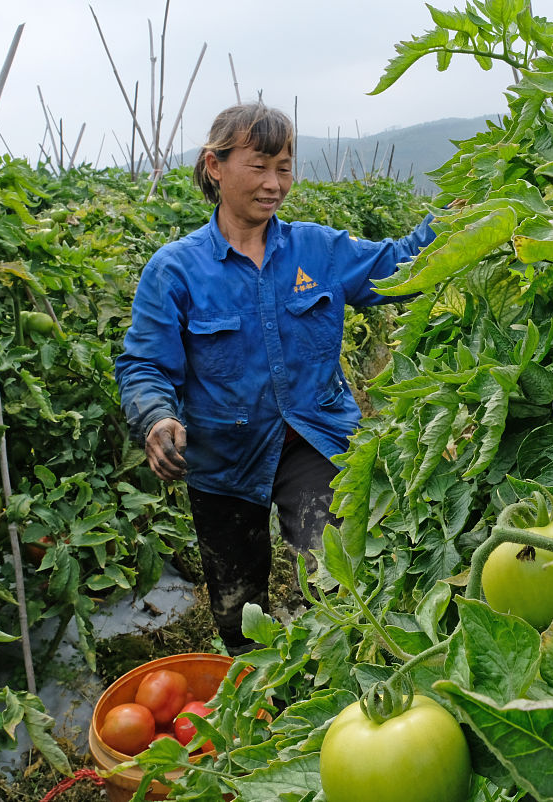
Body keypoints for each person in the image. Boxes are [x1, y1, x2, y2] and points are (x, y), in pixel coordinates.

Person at [115, 103, 437, 651]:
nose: (273, 184)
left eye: (283, 167)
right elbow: (144, 363)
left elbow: (400, 266)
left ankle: (345, 680)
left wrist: (447, 224)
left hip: (315, 439)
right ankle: (257, 694)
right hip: (222, 459)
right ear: (214, 166)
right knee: (238, 608)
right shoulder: (175, 270)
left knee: (340, 580)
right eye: (258, 166)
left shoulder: (319, 250)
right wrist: (157, 416)